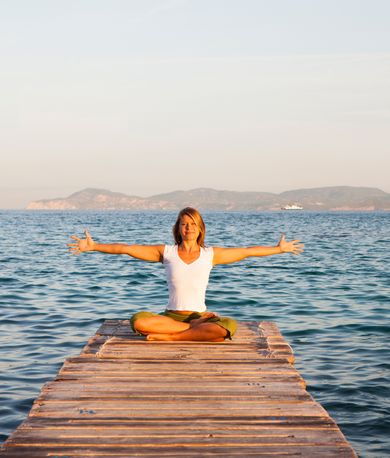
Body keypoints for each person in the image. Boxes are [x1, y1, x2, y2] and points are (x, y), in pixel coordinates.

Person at [68, 207, 303, 342]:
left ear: (200, 228)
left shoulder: (210, 254)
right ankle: (190, 332)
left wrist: (279, 249)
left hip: (199, 315)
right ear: (178, 228)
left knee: (228, 326)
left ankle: (170, 338)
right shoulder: (166, 252)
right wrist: (94, 246)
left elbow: (247, 252)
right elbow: (126, 248)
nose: (188, 228)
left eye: (192, 224)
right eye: (184, 224)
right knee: (138, 321)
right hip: (171, 317)